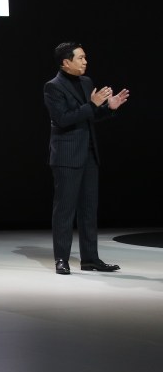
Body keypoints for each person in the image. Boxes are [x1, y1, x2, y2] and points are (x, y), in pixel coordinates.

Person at [43, 42, 130, 275]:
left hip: (89, 153)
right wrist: (93, 104)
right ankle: (61, 258)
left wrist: (109, 108)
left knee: (89, 209)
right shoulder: (53, 87)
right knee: (65, 209)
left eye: (85, 57)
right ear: (65, 62)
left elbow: (89, 117)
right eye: (80, 58)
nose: (85, 61)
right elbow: (63, 119)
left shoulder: (86, 82)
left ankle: (90, 258)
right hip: (66, 155)